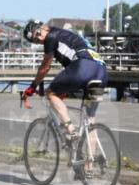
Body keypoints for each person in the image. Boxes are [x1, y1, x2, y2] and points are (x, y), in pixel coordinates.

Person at [21, 21, 108, 174]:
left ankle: (70, 129)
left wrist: (33, 86)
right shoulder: (67, 35)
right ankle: (89, 166)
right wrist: (65, 90)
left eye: (37, 35)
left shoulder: (51, 37)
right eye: (35, 41)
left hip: (83, 67)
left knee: (50, 93)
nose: (39, 40)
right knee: (90, 119)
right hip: (100, 69)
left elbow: (45, 67)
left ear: (42, 28)